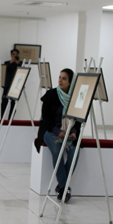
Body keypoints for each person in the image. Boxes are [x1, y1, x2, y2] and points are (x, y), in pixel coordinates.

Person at [35, 68, 81, 203]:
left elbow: (78, 120)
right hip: (50, 130)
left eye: (64, 78)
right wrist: (58, 132)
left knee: (74, 151)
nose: (60, 80)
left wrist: (73, 132)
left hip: (68, 132)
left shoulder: (75, 98)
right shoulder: (51, 94)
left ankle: (62, 186)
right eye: (60, 77)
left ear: (71, 82)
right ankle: (64, 187)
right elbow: (46, 118)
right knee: (57, 150)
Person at [0, 48, 22, 119]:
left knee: (13, 103)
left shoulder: (20, 63)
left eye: (16, 54)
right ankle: (1, 118)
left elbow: (22, 71)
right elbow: (5, 70)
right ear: (11, 55)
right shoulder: (7, 63)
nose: (15, 56)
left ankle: (11, 119)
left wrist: (17, 62)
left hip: (16, 86)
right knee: (4, 102)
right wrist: (11, 62)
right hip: (7, 85)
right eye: (13, 54)